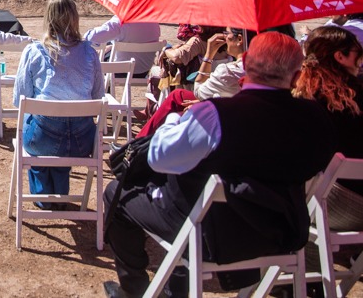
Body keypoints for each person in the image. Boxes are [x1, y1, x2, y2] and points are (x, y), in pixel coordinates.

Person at [103, 32, 337, 298]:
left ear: (245, 62)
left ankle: (134, 290)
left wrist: (174, 122)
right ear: (297, 77)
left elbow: (159, 158)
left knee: (116, 193)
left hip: (209, 237)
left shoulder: (216, 116)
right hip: (281, 234)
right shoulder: (317, 119)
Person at [12, 0, 104, 203]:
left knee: (38, 130)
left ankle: (44, 197)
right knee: (63, 132)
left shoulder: (34, 51)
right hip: (82, 143)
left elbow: (20, 100)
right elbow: (98, 96)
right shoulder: (90, 52)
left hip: (43, 141)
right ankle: (60, 195)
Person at [292, 26, 363, 228]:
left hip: (332, 203)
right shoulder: (357, 93)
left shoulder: (303, 97)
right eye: (359, 54)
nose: (360, 61)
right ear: (340, 56)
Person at [136, 27, 255, 137]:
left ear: (239, 39)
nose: (225, 36)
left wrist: (209, 54)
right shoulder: (258, 67)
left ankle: (138, 143)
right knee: (178, 96)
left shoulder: (227, 70)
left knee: (175, 99)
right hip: (235, 108)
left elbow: (199, 91)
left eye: (227, 33)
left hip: (222, 115)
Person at [84, 15, 161, 74]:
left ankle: (102, 91)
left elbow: (91, 38)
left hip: (119, 70)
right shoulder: (154, 22)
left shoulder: (120, 22)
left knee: (93, 57)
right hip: (144, 70)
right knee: (110, 45)